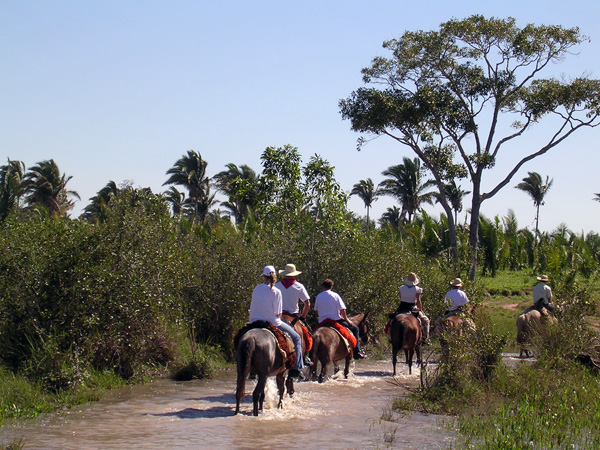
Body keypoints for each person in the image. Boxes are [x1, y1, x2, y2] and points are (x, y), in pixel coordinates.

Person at [249, 265, 304, 377]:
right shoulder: (276, 291)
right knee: (297, 338)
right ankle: (296, 368)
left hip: (254, 321)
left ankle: (250, 369)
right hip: (272, 322)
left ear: (264, 276)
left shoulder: (256, 288)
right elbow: (278, 314)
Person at [314, 278, 365, 359]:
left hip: (322, 322)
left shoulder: (318, 296)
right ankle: (357, 352)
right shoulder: (335, 295)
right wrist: (346, 319)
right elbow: (343, 310)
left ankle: (308, 356)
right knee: (355, 329)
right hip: (335, 320)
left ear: (323, 287)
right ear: (331, 287)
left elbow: (316, 311)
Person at [275, 263, 312, 366]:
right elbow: (307, 303)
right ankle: (304, 359)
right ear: (294, 274)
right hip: (293, 316)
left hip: (279, 316)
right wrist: (303, 317)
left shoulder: (277, 286)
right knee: (307, 334)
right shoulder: (299, 286)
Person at [385, 272, 430, 343]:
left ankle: (390, 336)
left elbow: (400, 297)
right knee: (425, 320)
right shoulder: (417, 289)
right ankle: (425, 338)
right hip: (412, 307)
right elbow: (418, 300)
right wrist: (420, 310)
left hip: (402, 306)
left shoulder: (401, 288)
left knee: (392, 320)